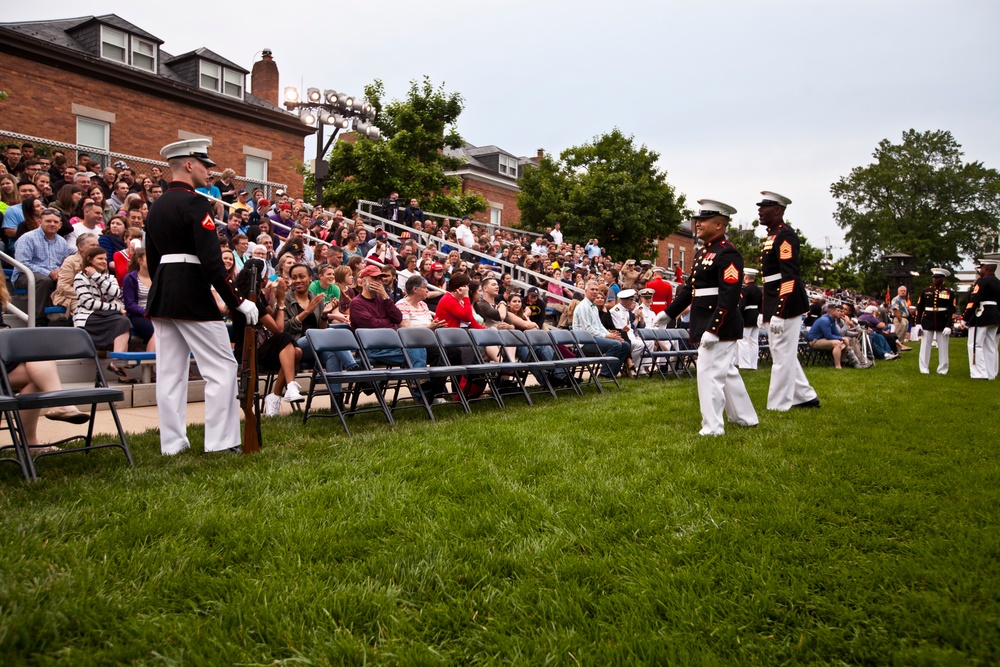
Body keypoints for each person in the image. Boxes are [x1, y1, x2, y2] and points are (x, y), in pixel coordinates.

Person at [144, 139, 259, 456]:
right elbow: (211, 262)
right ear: (189, 165)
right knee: (221, 367)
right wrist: (238, 301)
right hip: (192, 294)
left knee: (169, 373)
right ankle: (221, 442)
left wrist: (164, 287)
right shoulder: (196, 204)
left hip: (164, 293)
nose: (210, 173)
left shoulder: (157, 207)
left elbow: (153, 260)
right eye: (206, 167)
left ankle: (172, 444)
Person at [664, 200, 758, 436]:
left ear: (719, 224)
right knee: (726, 371)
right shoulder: (704, 251)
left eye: (703, 220)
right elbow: (690, 288)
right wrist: (669, 312)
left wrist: (714, 328)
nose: (697, 223)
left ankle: (713, 427)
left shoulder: (728, 253)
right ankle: (745, 417)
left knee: (709, 372)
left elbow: (729, 295)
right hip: (706, 318)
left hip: (719, 321)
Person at [757, 191, 819, 410]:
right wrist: (766, 309)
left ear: (778, 210)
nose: (759, 210)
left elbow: (789, 276)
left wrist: (780, 310)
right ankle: (805, 395)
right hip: (774, 297)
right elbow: (769, 279)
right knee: (781, 352)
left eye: (765, 207)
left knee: (782, 355)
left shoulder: (785, 235)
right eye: (759, 206)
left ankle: (778, 404)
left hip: (787, 300)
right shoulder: (772, 235)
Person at [73, 245, 134, 381]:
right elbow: (89, 304)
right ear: (89, 260)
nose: (103, 261)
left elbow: (117, 293)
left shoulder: (108, 278)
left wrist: (97, 277)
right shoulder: (80, 278)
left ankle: (116, 363)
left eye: (105, 259)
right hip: (89, 318)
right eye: (99, 258)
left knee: (123, 322)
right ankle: (119, 366)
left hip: (107, 317)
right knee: (123, 321)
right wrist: (116, 307)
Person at [12, 207, 71, 324]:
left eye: (55, 222)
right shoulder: (27, 238)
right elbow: (22, 264)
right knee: (44, 280)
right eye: (48, 221)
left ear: (60, 225)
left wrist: (60, 272)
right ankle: (39, 320)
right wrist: (49, 273)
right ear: (40, 222)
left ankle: (71, 315)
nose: (52, 224)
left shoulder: (62, 242)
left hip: (52, 275)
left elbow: (64, 263)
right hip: (25, 275)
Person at [572, 280, 630, 378]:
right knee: (615, 345)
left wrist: (612, 336)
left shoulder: (593, 307)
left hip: (595, 338)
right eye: (592, 289)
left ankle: (613, 373)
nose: (595, 291)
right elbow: (588, 329)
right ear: (586, 291)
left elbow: (599, 326)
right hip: (585, 342)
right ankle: (604, 374)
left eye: (596, 289)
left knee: (625, 345)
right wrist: (607, 336)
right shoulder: (583, 307)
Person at [915, 268, 958, 375]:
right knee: (925, 345)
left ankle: (943, 369)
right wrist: (918, 323)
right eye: (934, 278)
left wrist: (949, 325)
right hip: (928, 319)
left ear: (943, 279)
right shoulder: (925, 291)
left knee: (943, 346)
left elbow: (952, 309)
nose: (935, 280)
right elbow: (919, 307)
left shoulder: (949, 292)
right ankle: (924, 368)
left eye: (938, 278)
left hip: (942, 319)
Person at [962, 259, 1000, 380]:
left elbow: (974, 300)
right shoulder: (998, 282)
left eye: (982, 267)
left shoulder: (981, 281)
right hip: (995, 315)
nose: (980, 270)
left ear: (986, 268)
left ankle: (979, 373)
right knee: (991, 345)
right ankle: (991, 373)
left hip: (981, 314)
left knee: (975, 345)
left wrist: (966, 317)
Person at [122, 248, 156, 351]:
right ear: (140, 260)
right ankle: (151, 363)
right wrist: (147, 312)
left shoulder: (158, 277)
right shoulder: (130, 278)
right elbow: (130, 304)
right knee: (158, 331)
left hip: (157, 315)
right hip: (138, 316)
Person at [737, 268, 762, 369]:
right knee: (754, 341)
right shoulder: (758, 290)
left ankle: (745, 364)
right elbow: (761, 304)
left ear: (746, 277)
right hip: (756, 315)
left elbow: (742, 305)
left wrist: (739, 316)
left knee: (743, 340)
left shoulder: (745, 290)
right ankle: (753, 364)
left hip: (747, 315)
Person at [890, 286, 913, 351]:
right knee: (898, 335)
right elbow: (895, 310)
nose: (903, 292)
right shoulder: (896, 299)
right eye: (901, 291)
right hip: (900, 318)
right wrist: (900, 319)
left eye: (904, 291)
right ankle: (895, 350)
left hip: (905, 318)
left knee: (902, 336)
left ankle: (900, 349)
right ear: (898, 291)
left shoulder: (903, 300)